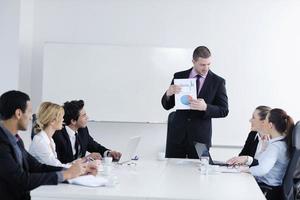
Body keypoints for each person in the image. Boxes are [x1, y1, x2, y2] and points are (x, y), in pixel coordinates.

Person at [0, 91, 95, 200]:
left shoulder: (16, 140)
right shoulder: (2, 143)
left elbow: (37, 167)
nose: (32, 118)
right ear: (18, 113)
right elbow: (20, 180)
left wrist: (75, 172)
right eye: (29, 112)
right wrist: (66, 175)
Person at [161, 46, 229, 158]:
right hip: (177, 138)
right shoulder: (179, 76)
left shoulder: (218, 82)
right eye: (202, 64)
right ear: (193, 61)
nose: (206, 68)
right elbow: (167, 105)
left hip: (200, 139)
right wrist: (168, 93)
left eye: (208, 64)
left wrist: (206, 107)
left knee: (201, 172)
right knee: (172, 172)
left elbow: (224, 110)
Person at [241, 108, 294, 200]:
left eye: (265, 120)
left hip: (268, 191)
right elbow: (261, 163)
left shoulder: (276, 147)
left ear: (270, 125)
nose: (263, 123)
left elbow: (262, 170)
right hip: (269, 188)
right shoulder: (278, 143)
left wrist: (245, 170)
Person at [53, 100, 122, 164]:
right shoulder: (58, 136)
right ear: (73, 121)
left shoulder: (82, 130)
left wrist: (108, 153)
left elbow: (94, 146)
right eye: (84, 115)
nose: (87, 118)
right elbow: (60, 164)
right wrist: (86, 159)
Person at [29, 102, 71, 167]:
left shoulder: (50, 140)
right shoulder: (40, 141)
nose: (63, 119)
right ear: (52, 121)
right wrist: (82, 167)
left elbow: (56, 165)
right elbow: (57, 166)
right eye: (61, 117)